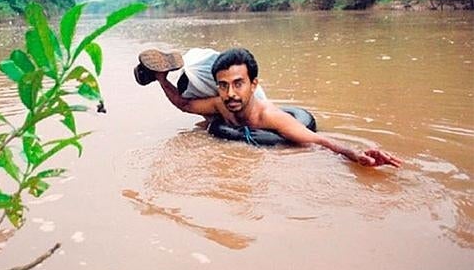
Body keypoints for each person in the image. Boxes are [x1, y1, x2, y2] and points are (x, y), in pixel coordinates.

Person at [150, 47, 402, 168]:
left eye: (238, 84)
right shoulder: (220, 103)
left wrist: (355, 155)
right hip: (229, 125)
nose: (231, 93)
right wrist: (161, 79)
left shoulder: (269, 117)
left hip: (265, 129)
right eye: (223, 86)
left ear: (253, 84)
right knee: (205, 123)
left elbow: (319, 141)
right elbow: (184, 104)